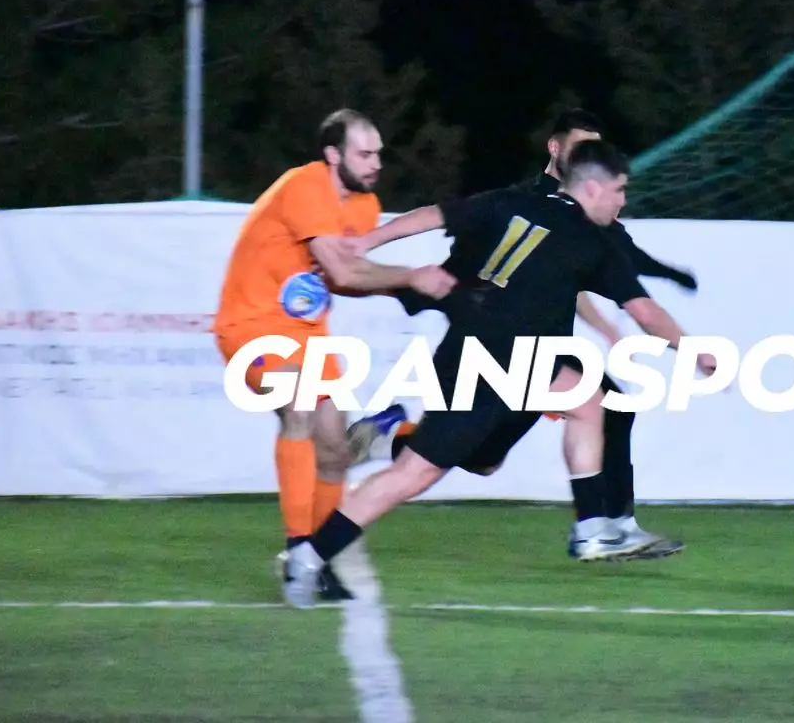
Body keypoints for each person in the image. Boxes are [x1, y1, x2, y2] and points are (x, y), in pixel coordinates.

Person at [282, 139, 716, 608]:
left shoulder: (511, 201)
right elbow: (646, 313)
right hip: (504, 360)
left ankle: (591, 526)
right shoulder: (593, 239)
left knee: (544, 425)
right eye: (619, 190)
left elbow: (432, 215)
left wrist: (368, 241)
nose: (622, 201)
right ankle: (310, 555)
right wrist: (695, 351)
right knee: (416, 474)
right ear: (592, 187)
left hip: (474, 350)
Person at [368, 108, 695, 559]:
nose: (588, 158)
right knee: (504, 448)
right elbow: (477, 260)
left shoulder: (586, 214)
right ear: (555, 148)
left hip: (547, 348)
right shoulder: (525, 202)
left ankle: (613, 524)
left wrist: (666, 276)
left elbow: (616, 260)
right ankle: (605, 526)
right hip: (505, 348)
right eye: (580, 147)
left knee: (513, 447)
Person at [210, 108, 454, 602]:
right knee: (299, 401)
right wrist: (410, 278)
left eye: (378, 154)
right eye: (364, 154)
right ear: (332, 155)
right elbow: (343, 270)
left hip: (310, 337)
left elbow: (344, 281)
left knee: (335, 454)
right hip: (250, 328)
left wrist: (402, 288)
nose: (376, 163)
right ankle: (298, 549)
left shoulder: (364, 207)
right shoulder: (304, 186)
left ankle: (318, 560)